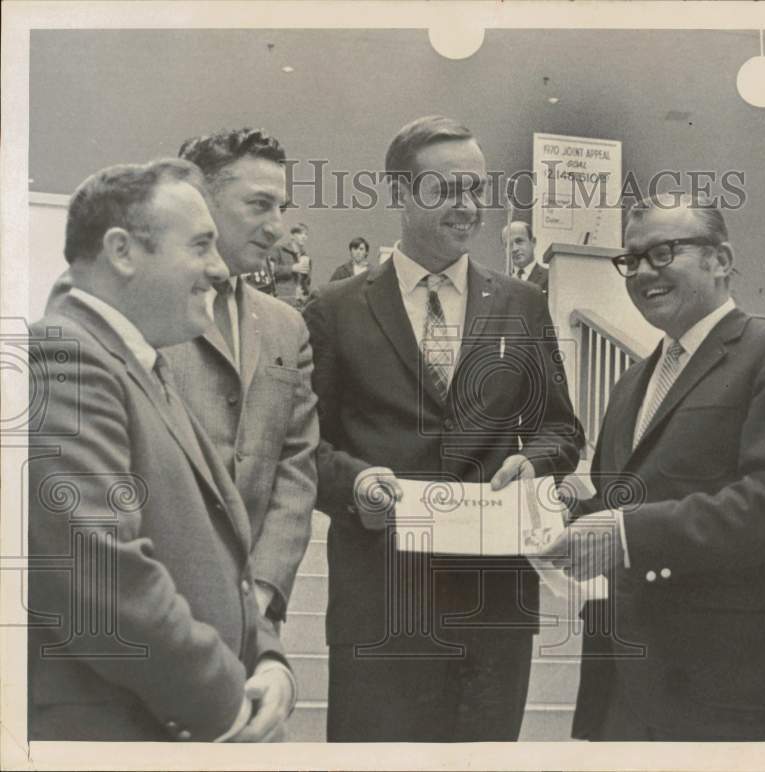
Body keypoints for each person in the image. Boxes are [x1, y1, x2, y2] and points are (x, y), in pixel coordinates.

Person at [303, 115, 583, 741]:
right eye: (447, 189)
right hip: (381, 592)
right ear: (401, 193)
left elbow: (561, 430)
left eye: (477, 189)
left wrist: (534, 463)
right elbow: (304, 450)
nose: (468, 206)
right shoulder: (335, 309)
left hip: (493, 599)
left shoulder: (522, 304)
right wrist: (357, 485)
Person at [542, 194, 765, 741]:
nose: (641, 273)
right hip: (630, 691)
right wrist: (553, 503)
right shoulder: (633, 381)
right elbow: (618, 505)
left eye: (662, 253)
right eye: (630, 259)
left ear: (720, 259)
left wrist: (628, 534)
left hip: (738, 691)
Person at [28, 159, 290, 741]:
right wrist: (230, 704)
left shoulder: (142, 365)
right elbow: (101, 581)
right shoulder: (64, 359)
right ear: (122, 251)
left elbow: (222, 559)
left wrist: (268, 659)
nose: (220, 270)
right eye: (201, 246)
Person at [167, 128, 320, 637]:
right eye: (259, 205)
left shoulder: (286, 325)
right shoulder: (139, 311)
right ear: (198, 201)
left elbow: (296, 464)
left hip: (254, 619)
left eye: (282, 207)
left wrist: (265, 590)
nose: (277, 228)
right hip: (150, 618)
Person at [501, 221, 548, 295]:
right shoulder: (501, 282)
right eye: (509, 244)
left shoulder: (549, 277)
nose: (514, 249)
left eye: (519, 241)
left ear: (533, 242)